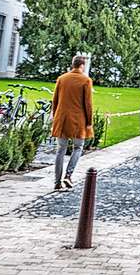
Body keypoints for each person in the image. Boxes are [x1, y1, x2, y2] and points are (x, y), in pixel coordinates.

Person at [51, 55, 94, 191]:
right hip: (78, 120)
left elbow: (55, 100)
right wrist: (89, 121)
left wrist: (54, 116)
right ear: (82, 65)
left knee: (60, 150)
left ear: (73, 64)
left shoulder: (62, 79)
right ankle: (68, 175)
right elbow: (88, 104)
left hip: (62, 119)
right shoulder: (85, 80)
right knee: (78, 147)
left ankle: (57, 182)